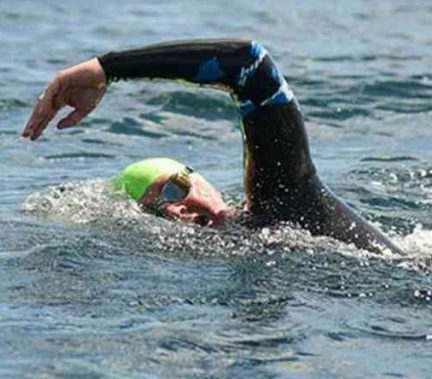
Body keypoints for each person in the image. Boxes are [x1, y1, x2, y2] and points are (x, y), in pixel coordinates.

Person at [21, 38, 401, 254]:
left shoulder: (286, 196)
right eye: (157, 210)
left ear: (202, 181)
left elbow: (249, 65)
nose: (177, 209)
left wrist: (108, 68)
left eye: (175, 188)